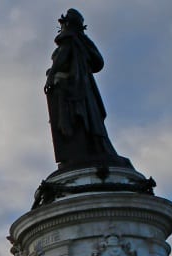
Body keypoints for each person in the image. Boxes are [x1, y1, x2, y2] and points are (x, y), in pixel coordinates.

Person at [43, 8, 120, 168]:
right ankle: (89, 149)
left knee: (79, 119)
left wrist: (51, 76)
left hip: (73, 89)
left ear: (67, 24)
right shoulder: (79, 42)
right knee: (88, 119)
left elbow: (62, 59)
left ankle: (81, 152)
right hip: (80, 87)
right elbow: (97, 61)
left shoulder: (69, 40)